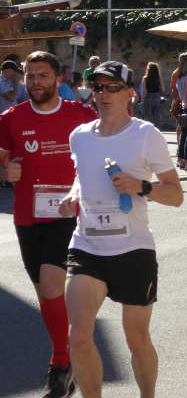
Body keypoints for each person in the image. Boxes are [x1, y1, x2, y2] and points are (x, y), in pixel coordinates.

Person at [57, 60, 182, 398]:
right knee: (79, 335)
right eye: (98, 87)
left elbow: (176, 194)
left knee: (136, 339)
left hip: (133, 249)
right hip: (87, 245)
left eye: (112, 87)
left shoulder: (145, 135)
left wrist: (141, 187)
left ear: (130, 93)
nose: (104, 94)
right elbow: (80, 178)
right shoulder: (79, 136)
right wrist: (72, 196)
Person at [0, 51, 97, 398]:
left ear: (58, 80)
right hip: (27, 217)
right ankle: (65, 356)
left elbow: (105, 147)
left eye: (42, 76)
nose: (35, 82)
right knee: (45, 291)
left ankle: (60, 361)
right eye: (30, 76)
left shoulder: (81, 115)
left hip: (68, 214)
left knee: (52, 286)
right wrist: (4, 171)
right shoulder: (11, 118)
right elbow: (1, 159)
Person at [141, 61, 163, 128]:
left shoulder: (145, 78)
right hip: (156, 96)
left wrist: (142, 100)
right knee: (157, 116)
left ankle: (149, 130)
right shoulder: (159, 78)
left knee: (148, 116)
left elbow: (144, 91)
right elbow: (163, 89)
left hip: (148, 97)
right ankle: (157, 129)